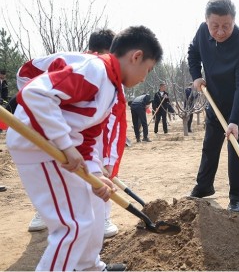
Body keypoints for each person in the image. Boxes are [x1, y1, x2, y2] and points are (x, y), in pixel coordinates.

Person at [6, 25, 163, 271]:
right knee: (73, 226)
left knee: (88, 216)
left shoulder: (110, 89)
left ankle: (89, 267)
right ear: (136, 57)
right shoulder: (95, 70)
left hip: (55, 150)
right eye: (148, 69)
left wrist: (96, 175)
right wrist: (65, 145)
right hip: (39, 147)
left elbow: (88, 137)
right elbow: (35, 94)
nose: (145, 77)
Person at [27, 29, 120, 238]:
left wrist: (103, 162)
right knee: (53, 174)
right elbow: (32, 86)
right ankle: (48, 213)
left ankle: (98, 219)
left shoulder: (108, 78)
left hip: (85, 133)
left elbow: (110, 121)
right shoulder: (89, 68)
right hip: (52, 129)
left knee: (85, 170)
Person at [187, 0, 239, 213]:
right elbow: (193, 53)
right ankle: (204, 186)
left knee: (235, 145)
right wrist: (196, 76)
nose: (220, 31)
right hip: (215, 98)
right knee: (210, 143)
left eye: (226, 26)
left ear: (234, 21)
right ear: (206, 21)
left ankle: (237, 196)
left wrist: (235, 121)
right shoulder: (202, 32)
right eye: (215, 26)